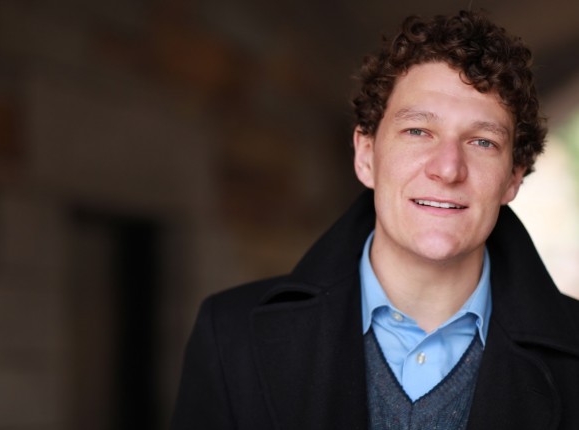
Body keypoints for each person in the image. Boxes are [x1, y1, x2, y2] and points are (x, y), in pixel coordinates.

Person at [171, 10, 579, 430]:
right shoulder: (230, 334)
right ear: (366, 156)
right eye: (418, 131)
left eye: (482, 141)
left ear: (512, 178)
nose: (448, 168)